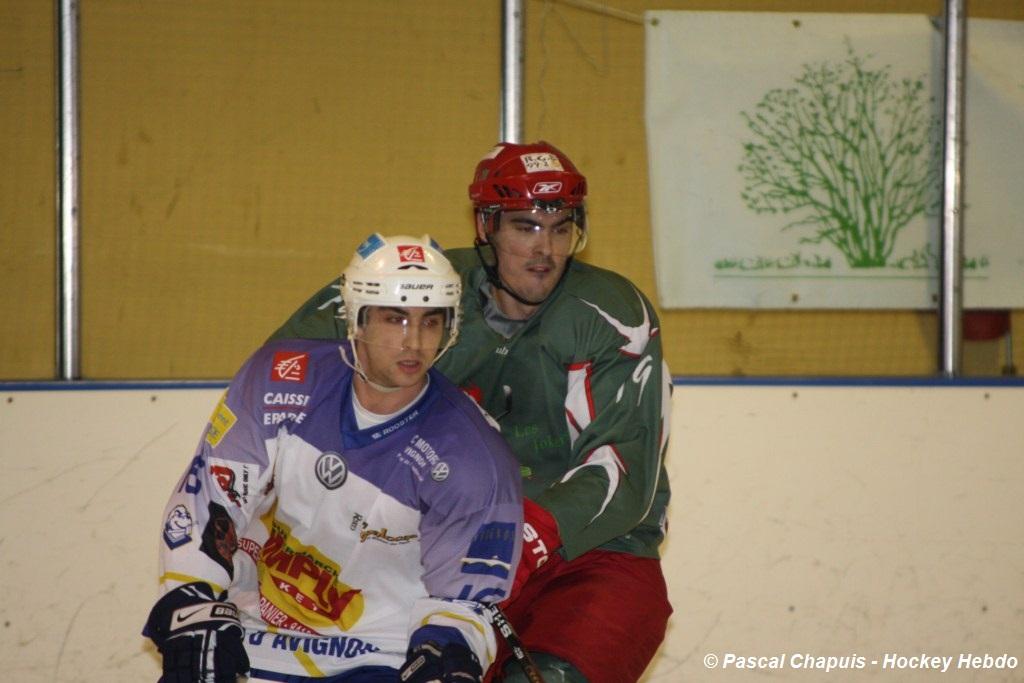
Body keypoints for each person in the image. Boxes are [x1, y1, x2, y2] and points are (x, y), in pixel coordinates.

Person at [273, 142, 673, 683]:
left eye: (561, 229)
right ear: (486, 227)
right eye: (526, 228)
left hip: (591, 559)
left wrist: (515, 539)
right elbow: (281, 382)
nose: (545, 250)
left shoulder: (612, 313)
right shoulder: (423, 288)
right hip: (436, 557)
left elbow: (624, 471)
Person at [144, 234, 524, 683]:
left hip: (379, 656)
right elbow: (212, 501)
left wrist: (448, 652)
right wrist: (192, 601)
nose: (414, 341)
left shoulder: (473, 456)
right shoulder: (279, 378)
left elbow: (463, 601)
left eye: (430, 321)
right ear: (357, 318)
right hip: (257, 638)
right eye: (395, 318)